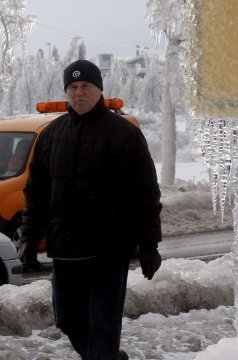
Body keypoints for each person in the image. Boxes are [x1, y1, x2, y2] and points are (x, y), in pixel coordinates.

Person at [19, 59, 162, 360]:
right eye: (72, 87)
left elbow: (145, 193)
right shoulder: (51, 135)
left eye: (86, 86)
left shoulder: (124, 134)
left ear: (99, 90)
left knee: (102, 326)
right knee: (68, 320)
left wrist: (149, 244)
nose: (79, 93)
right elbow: (36, 194)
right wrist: (30, 239)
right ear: (66, 92)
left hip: (108, 251)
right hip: (65, 250)